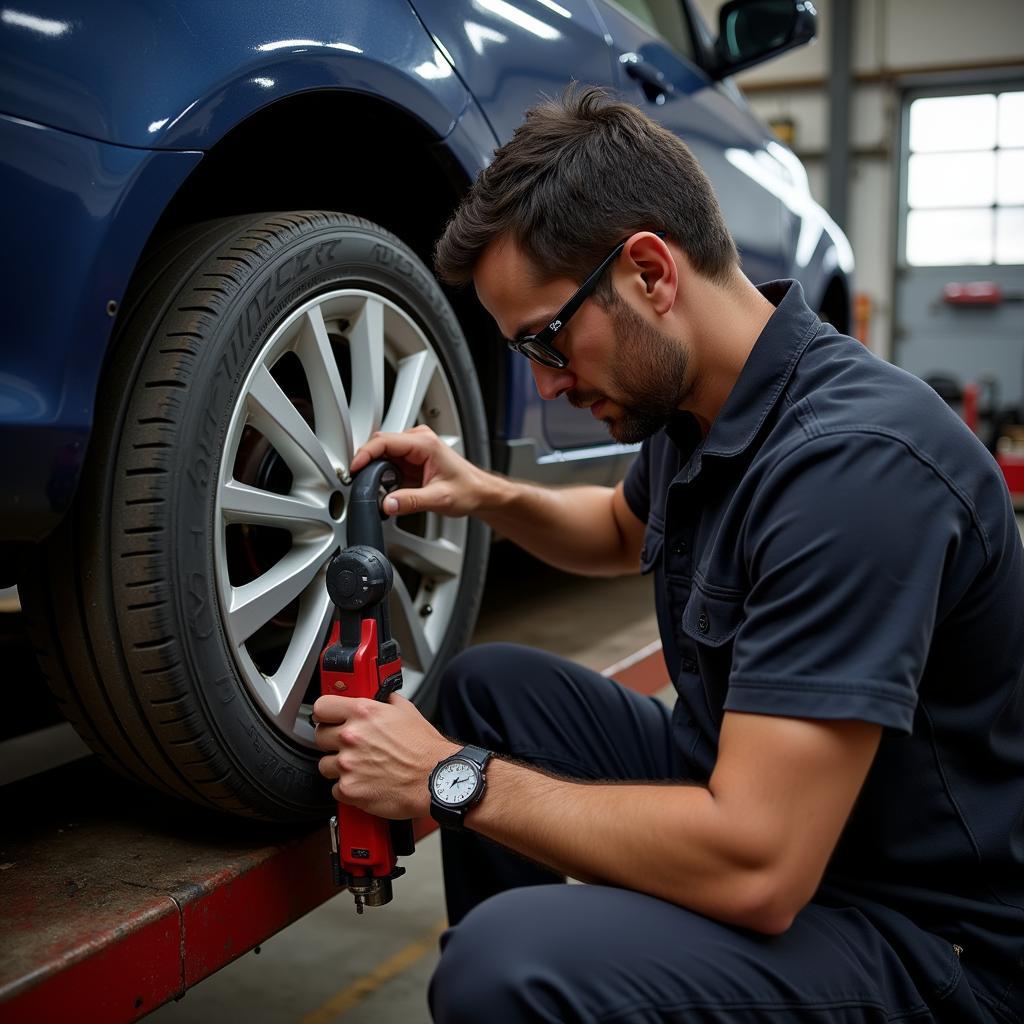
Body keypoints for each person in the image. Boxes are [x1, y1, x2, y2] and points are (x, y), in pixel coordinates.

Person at [313, 86, 1024, 1023]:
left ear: (650, 270)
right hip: (767, 804)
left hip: (921, 935)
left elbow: (760, 867)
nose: (548, 384)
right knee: (493, 692)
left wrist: (450, 780)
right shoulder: (705, 401)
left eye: (551, 340)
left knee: (506, 965)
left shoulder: (854, 473)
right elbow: (616, 529)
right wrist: (479, 490)